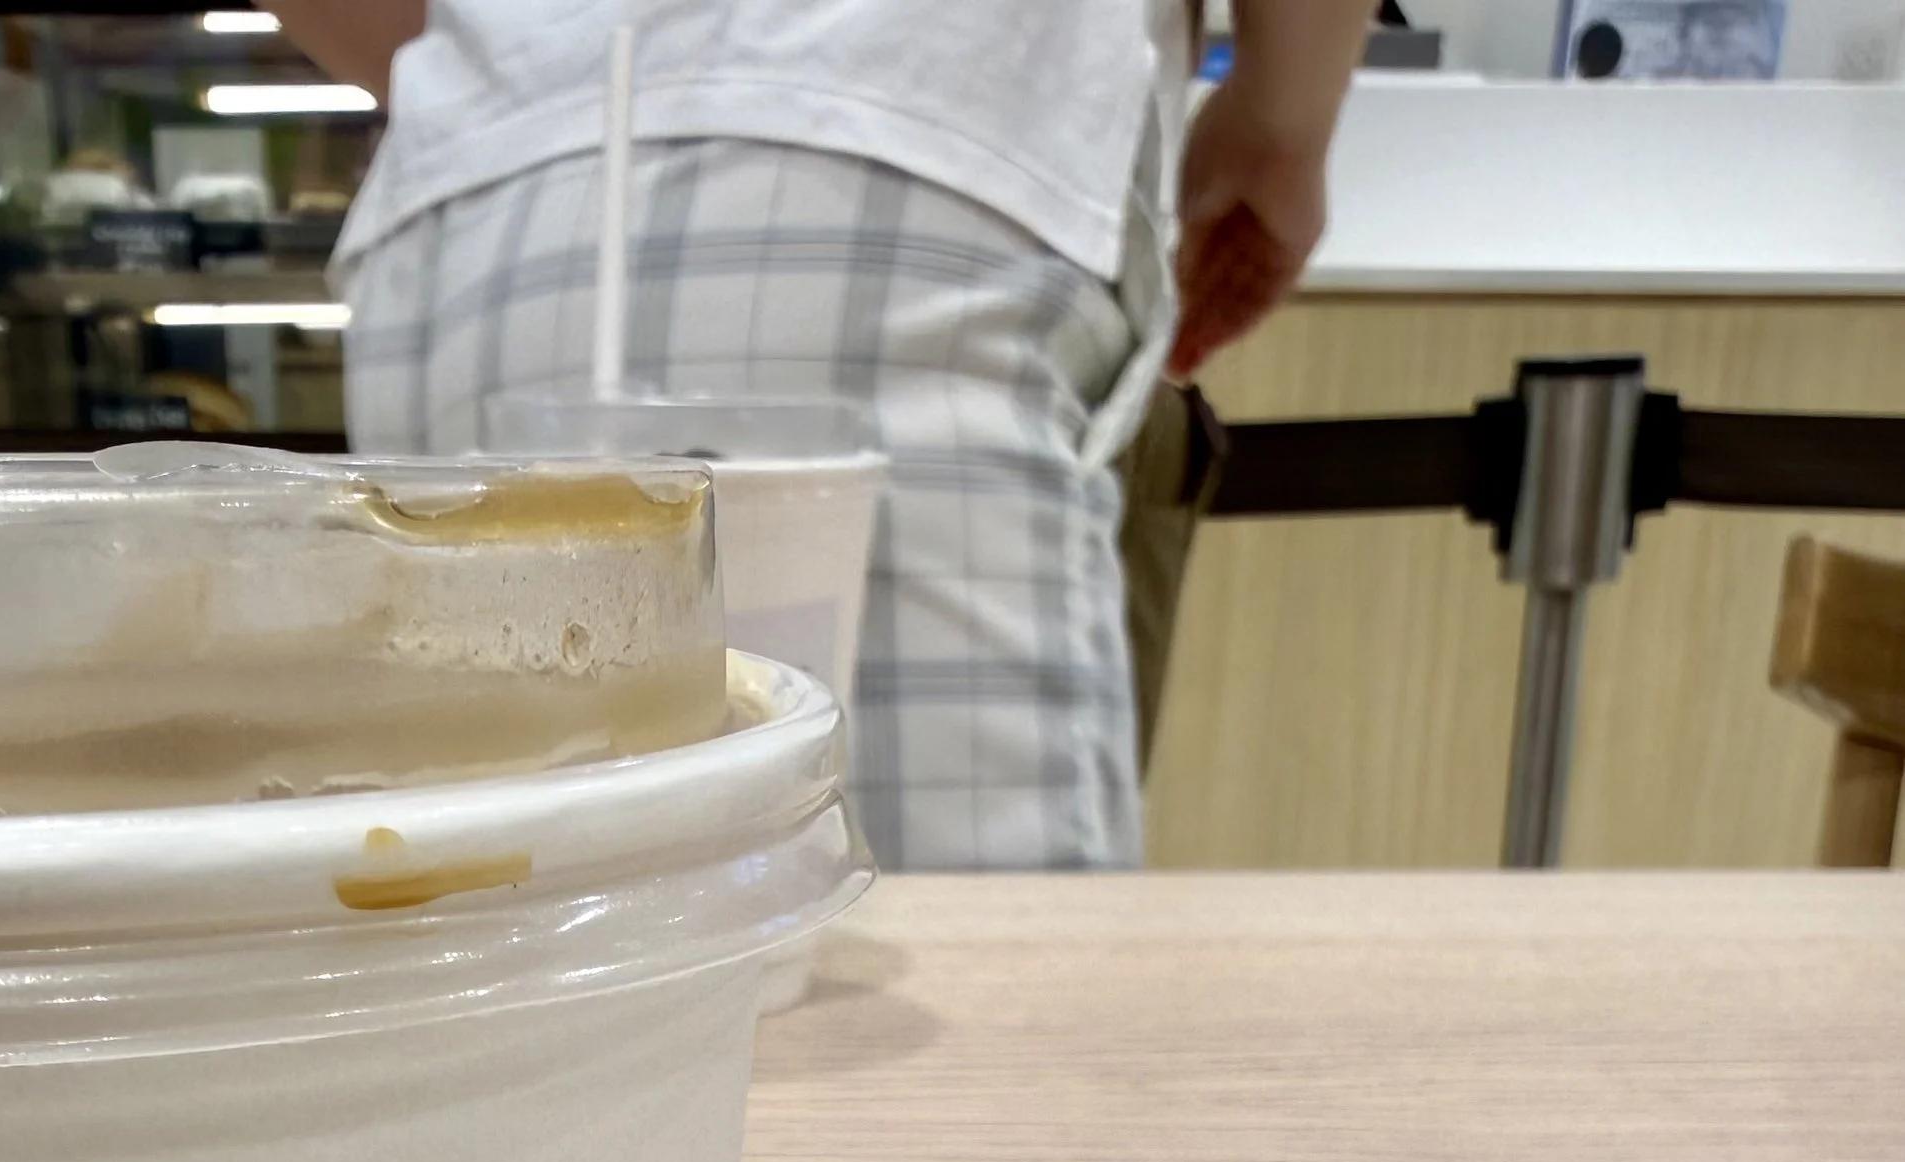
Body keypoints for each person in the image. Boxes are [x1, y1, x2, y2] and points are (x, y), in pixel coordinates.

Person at [275, 0, 1368, 873]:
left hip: (454, 213)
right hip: (907, 115)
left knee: (497, 967)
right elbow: (1275, 130)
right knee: (957, 1007)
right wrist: (1281, 121)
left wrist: (515, 56)